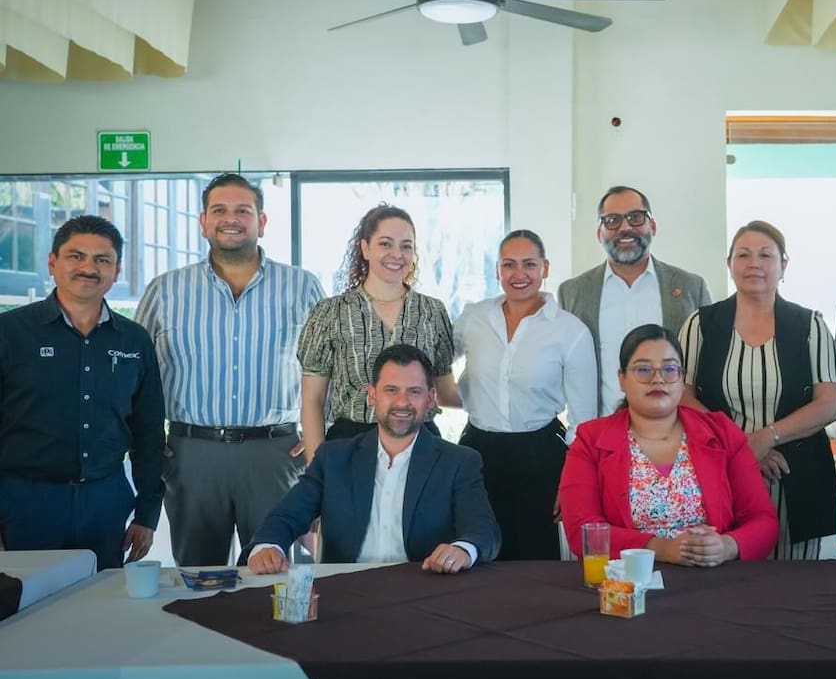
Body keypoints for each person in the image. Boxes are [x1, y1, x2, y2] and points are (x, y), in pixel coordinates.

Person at [136, 173, 324, 567]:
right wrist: (149, 441)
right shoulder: (165, 289)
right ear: (203, 221)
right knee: (197, 576)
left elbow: (330, 370)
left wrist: (319, 438)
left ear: (262, 222)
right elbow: (138, 375)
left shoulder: (302, 286)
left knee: (273, 572)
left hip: (275, 454)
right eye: (219, 210)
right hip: (192, 455)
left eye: (243, 210)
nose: (231, 218)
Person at [243, 344, 500, 574]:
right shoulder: (334, 458)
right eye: (391, 390)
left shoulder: (458, 461)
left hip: (425, 590)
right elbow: (286, 516)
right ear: (372, 395)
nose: (402, 402)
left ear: (430, 398)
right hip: (347, 592)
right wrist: (268, 546)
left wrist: (464, 549)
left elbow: (483, 530)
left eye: (414, 391)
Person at [0, 215, 164, 569]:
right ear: (52, 263)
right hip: (24, 503)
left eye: (102, 260)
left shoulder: (134, 340)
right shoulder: (10, 332)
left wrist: (147, 513)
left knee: (100, 611)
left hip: (105, 502)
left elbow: (149, 432)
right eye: (76, 256)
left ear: (116, 271)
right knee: (25, 615)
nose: (89, 268)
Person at [679, 221, 836, 560]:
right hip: (721, 469)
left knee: (796, 587)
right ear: (729, 265)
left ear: (784, 265)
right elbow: (682, 395)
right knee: (726, 580)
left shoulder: (809, 324)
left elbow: (829, 403)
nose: (754, 263)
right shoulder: (701, 324)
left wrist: (767, 437)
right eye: (744, 254)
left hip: (797, 476)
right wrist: (743, 447)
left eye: (766, 255)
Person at [559, 324, 779, 564]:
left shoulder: (722, 433)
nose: (658, 379)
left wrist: (727, 546)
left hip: (712, 579)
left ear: (682, 379)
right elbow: (583, 532)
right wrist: (661, 549)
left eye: (669, 369)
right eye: (643, 370)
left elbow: (763, 521)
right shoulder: (591, 440)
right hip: (628, 585)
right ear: (621, 379)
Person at [450, 230, 597, 560]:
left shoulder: (569, 330)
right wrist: (449, 395)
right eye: (509, 265)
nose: (519, 275)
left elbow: (584, 418)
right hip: (478, 449)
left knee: (536, 557)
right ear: (498, 270)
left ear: (545, 268)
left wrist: (572, 478)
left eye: (529, 264)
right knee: (478, 551)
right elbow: (434, 361)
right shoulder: (473, 317)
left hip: (541, 453)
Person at [297, 205, 454, 463]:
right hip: (351, 443)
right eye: (385, 244)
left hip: (421, 445)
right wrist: (318, 469)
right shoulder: (331, 312)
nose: (397, 254)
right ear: (365, 248)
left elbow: (446, 391)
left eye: (406, 246)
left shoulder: (432, 311)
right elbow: (313, 399)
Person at [558, 186, 711, 417]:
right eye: (612, 220)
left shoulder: (691, 287)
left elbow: (706, 364)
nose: (625, 227)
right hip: (602, 435)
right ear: (599, 233)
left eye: (636, 217)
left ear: (653, 226)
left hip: (675, 434)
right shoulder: (572, 292)